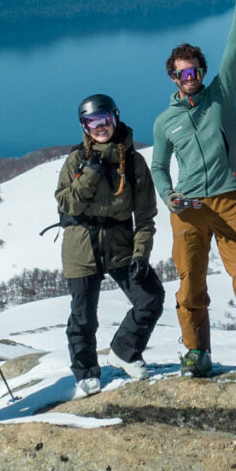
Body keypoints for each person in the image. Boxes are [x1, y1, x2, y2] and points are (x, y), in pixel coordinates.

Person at [151, 0, 236, 380]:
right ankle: (196, 353)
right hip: (187, 208)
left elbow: (234, 51)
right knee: (190, 286)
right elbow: (157, 166)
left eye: (196, 71)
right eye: (183, 73)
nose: (191, 78)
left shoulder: (220, 95)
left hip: (229, 199)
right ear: (173, 77)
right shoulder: (165, 121)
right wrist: (168, 196)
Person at [56, 93, 164, 391]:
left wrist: (141, 254)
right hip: (81, 245)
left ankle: (124, 351)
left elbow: (145, 216)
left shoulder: (134, 163)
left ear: (115, 116)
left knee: (150, 298)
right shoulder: (77, 159)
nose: (99, 127)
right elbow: (67, 204)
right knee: (83, 316)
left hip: (119, 243)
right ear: (84, 126)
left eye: (103, 119)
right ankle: (86, 372)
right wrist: (90, 173)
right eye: (91, 122)